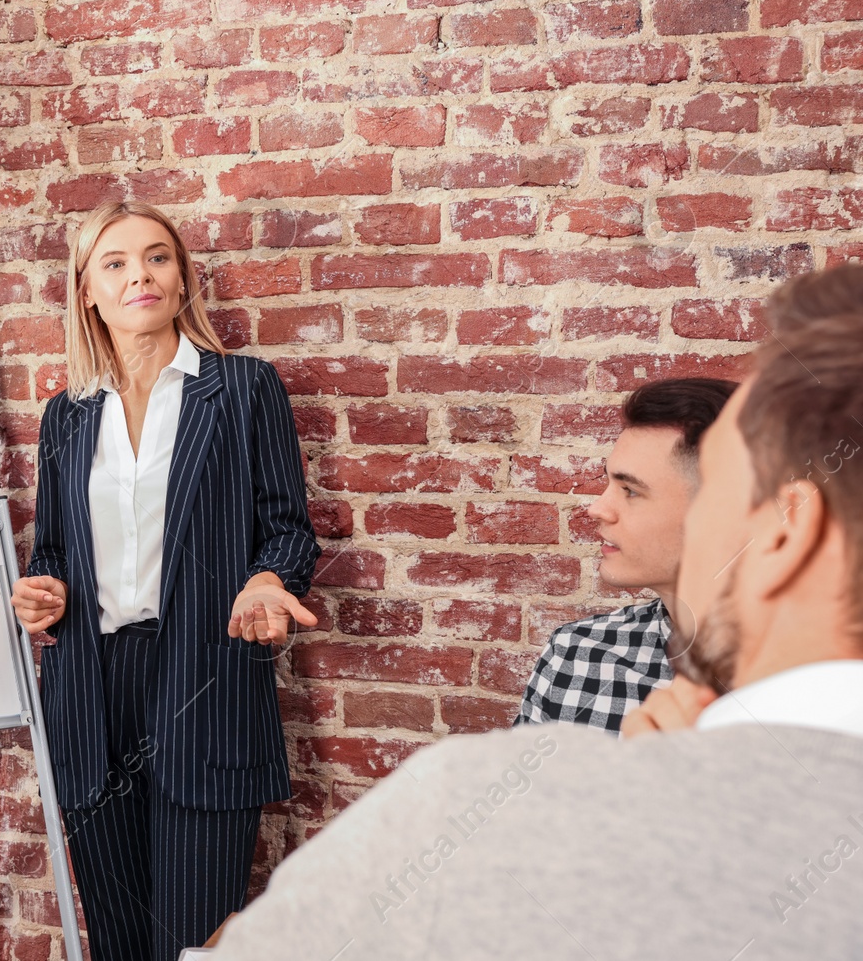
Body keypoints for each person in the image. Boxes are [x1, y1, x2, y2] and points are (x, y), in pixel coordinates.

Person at [209, 266, 863, 959]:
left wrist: (625, 803)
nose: (600, 507)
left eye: (725, 503)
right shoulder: (581, 669)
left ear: (787, 531)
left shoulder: (468, 802)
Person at [9, 201, 321, 961]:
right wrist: (42, 590)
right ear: (87, 291)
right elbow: (55, 548)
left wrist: (266, 579)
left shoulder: (244, 390)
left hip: (202, 680)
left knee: (197, 942)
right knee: (117, 942)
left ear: (181, 278)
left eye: (157, 257)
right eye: (114, 263)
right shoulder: (67, 417)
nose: (138, 275)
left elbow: (288, 527)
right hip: (89, 689)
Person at [517, 377, 735, 732]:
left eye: (630, 491)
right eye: (609, 485)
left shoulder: (823, 679)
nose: (597, 508)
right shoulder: (578, 655)